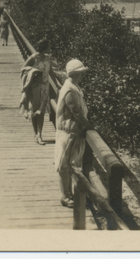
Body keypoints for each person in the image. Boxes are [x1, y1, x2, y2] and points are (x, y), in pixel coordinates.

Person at [55, 59, 94, 208]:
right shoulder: (69, 89)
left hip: (72, 131)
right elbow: (76, 112)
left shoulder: (73, 86)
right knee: (64, 165)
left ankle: (70, 194)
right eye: (80, 73)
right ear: (74, 73)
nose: (82, 76)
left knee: (68, 164)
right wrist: (89, 126)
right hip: (68, 131)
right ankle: (65, 196)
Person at [22, 39, 53, 145]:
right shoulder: (34, 57)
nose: (50, 48)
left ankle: (39, 135)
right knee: (35, 111)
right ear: (45, 47)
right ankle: (36, 134)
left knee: (41, 111)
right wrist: (33, 73)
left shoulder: (48, 58)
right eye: (48, 46)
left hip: (45, 87)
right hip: (35, 87)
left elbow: (51, 72)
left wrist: (58, 85)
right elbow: (24, 69)